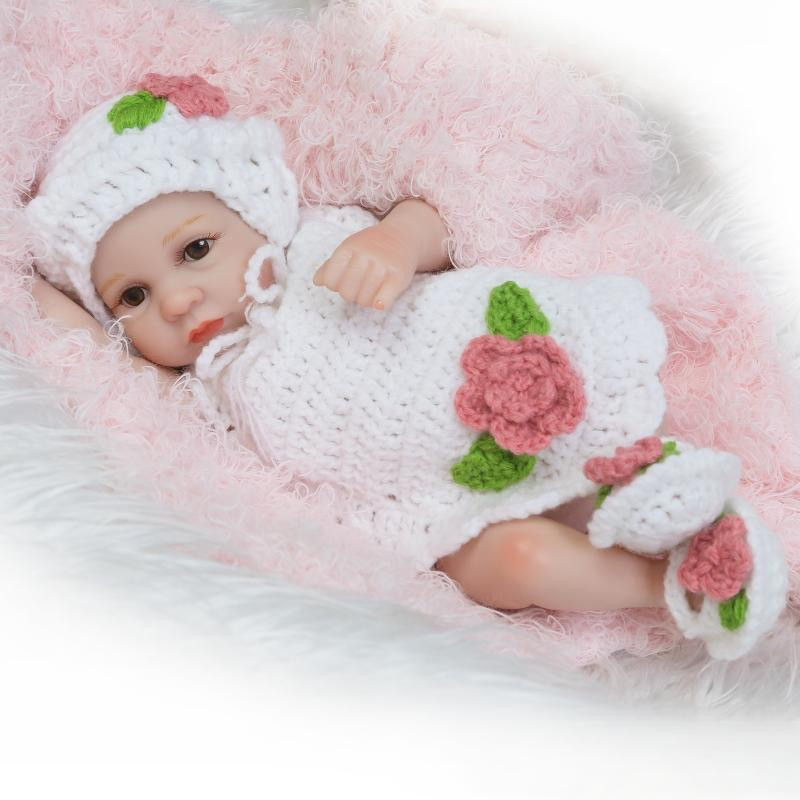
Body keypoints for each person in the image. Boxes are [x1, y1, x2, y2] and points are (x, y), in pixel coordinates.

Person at [26, 73, 787, 660]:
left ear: (254, 212)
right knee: (514, 561)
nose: (176, 299)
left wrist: (393, 243)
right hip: (419, 506)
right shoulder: (206, 388)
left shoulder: (316, 241)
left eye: (196, 249)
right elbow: (76, 342)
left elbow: (431, 220)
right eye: (131, 296)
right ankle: (677, 587)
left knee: (598, 455)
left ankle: (681, 508)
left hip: (497, 393)